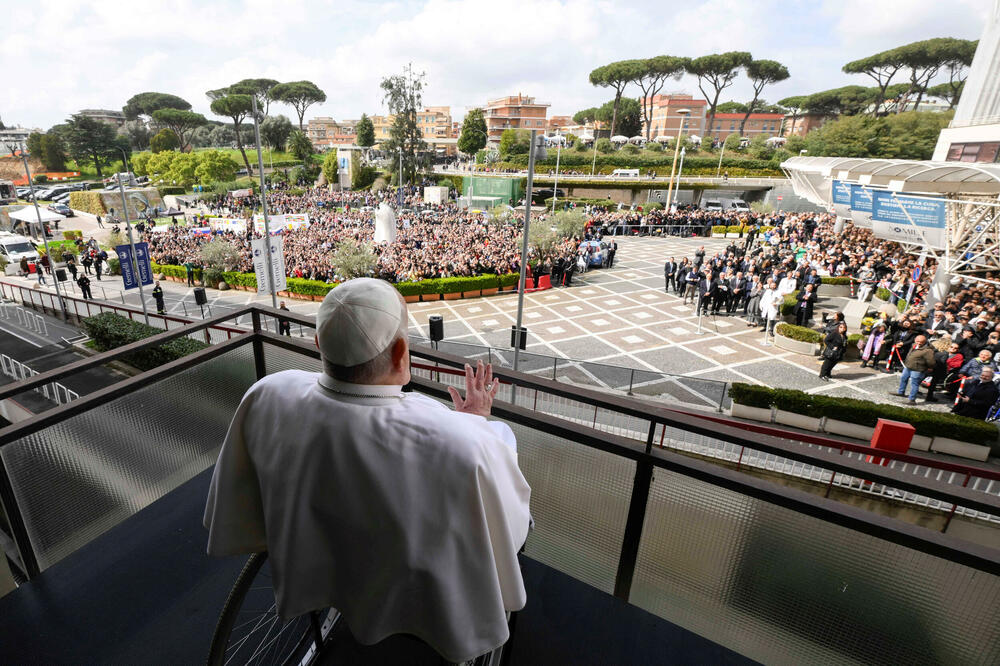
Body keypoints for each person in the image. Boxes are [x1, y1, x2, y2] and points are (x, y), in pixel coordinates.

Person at [204, 278, 531, 663]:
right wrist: (476, 421)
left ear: (320, 343)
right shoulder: (460, 441)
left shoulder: (270, 391)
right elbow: (509, 527)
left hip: (316, 551)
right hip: (413, 583)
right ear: (400, 353)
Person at [890, 335, 935, 404]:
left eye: (921, 342)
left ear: (925, 342)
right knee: (903, 379)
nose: (919, 343)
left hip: (917, 369)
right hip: (908, 367)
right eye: (918, 341)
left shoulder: (928, 350)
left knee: (914, 384)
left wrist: (929, 368)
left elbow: (931, 362)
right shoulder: (914, 345)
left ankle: (912, 399)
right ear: (915, 340)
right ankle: (901, 392)